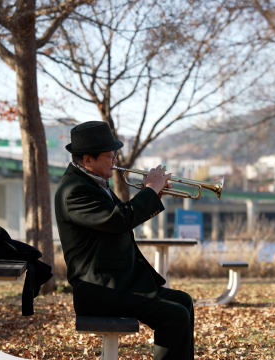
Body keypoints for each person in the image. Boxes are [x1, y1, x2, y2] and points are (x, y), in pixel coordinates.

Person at [54, 121, 194, 360]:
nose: (115, 160)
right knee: (175, 316)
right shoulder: (75, 190)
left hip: (119, 283)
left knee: (183, 301)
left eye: (115, 154)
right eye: (109, 155)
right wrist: (150, 191)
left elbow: (120, 219)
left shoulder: (93, 183)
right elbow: (119, 220)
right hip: (101, 289)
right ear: (88, 160)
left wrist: (154, 193)